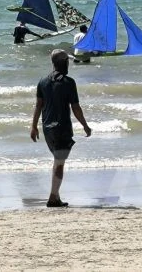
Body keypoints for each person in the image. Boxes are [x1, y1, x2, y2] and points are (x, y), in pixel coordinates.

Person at [30, 49, 92, 207]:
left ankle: (55, 195)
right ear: (64, 63)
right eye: (67, 61)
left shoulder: (42, 82)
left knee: (57, 160)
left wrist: (34, 127)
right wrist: (85, 125)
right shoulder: (68, 82)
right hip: (62, 128)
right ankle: (53, 197)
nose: (68, 63)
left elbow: (38, 106)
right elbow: (75, 107)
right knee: (59, 162)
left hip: (47, 128)